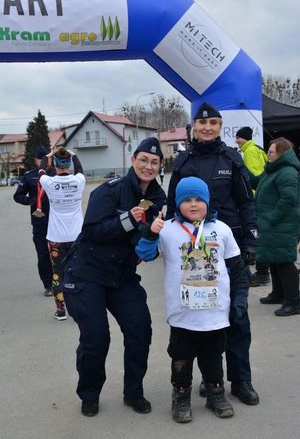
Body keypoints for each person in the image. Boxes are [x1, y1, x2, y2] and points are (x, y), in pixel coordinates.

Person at [62, 137, 166, 417]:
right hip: (89, 273)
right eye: (143, 160)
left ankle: (133, 392)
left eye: (154, 162)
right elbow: (92, 232)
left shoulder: (158, 200)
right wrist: (128, 221)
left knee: (140, 329)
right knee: (96, 337)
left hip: (122, 275)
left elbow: (149, 241)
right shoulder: (110, 191)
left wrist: (153, 241)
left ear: (159, 167)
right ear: (133, 161)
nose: (148, 166)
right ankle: (90, 394)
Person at [166, 102, 259, 406]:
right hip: (194, 255)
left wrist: (250, 243)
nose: (208, 128)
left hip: (228, 248)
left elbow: (246, 203)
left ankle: (241, 380)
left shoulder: (231, 159)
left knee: (237, 319)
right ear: (195, 126)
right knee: (203, 320)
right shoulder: (181, 162)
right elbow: (171, 211)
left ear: (220, 127)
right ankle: (210, 378)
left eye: (214, 124)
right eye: (203, 124)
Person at [136, 177, 250, 422]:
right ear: (178, 204)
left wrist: (239, 299)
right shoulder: (167, 229)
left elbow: (237, 268)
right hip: (183, 313)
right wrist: (150, 233)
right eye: (187, 200)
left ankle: (215, 393)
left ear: (208, 202)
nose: (194, 204)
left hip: (215, 312)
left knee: (213, 355)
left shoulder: (221, 229)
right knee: (181, 356)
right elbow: (144, 254)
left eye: (199, 199)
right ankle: (181, 396)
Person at [248, 138, 300, 316]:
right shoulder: (272, 170)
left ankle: (294, 301)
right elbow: (255, 182)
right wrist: (240, 167)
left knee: (284, 261)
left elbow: (289, 199)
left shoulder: (287, 172)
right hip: (272, 224)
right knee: (275, 259)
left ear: (281, 153)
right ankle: (278, 294)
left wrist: (271, 218)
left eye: (271, 152)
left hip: (282, 224)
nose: (268, 154)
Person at [38, 147, 85, 320]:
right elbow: (80, 169)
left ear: (55, 165)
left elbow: (41, 170)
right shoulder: (79, 181)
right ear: (69, 164)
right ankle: (79, 309)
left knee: (58, 273)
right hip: (77, 237)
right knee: (79, 272)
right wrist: (74, 155)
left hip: (56, 238)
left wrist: (47, 155)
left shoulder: (49, 182)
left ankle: (60, 311)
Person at [13, 147, 54, 297]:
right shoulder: (29, 176)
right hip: (39, 221)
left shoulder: (56, 174)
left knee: (62, 253)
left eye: (47, 158)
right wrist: (31, 201)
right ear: (36, 160)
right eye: (41, 159)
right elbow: (17, 196)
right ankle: (48, 284)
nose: (44, 161)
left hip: (57, 221)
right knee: (43, 254)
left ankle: (62, 282)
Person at [236, 126, 270, 287]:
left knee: (258, 235)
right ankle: (263, 270)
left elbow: (253, 177)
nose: (237, 141)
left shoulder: (249, 151)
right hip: (262, 198)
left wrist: (250, 198)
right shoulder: (257, 149)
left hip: (256, 199)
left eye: (239, 138)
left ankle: (262, 272)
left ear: (245, 138)